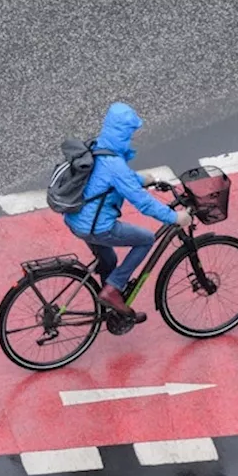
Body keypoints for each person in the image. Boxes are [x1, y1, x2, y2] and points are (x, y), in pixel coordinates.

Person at [62, 102, 192, 324]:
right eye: (130, 133)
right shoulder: (115, 165)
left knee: (109, 258)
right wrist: (174, 217)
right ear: (123, 133)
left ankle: (112, 310)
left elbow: (109, 179)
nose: (132, 137)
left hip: (76, 220)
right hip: (97, 227)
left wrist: (142, 179)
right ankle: (113, 290)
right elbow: (143, 203)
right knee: (146, 239)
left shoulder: (97, 146)